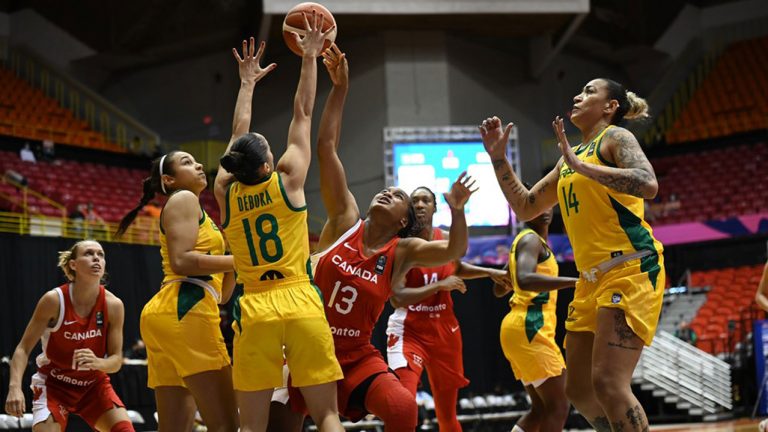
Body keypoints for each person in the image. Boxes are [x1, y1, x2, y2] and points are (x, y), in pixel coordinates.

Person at [287, 44, 475, 432]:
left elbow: (455, 250)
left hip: (355, 354)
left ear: (404, 219)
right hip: (305, 344)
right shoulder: (344, 219)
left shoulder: (401, 251)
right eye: (387, 189)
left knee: (404, 409)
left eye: (399, 197)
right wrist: (340, 88)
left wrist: (457, 210)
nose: (388, 190)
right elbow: (326, 148)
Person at [480, 77, 664, 431]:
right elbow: (525, 205)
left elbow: (648, 183)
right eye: (580, 91)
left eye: (590, 91)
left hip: (631, 267)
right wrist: (498, 159)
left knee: (610, 384)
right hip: (590, 278)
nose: (579, 96)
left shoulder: (616, 138)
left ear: (610, 107)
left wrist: (584, 168)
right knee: (578, 390)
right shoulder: (570, 159)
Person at [214, 20, 343, 432]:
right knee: (326, 415)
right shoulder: (288, 178)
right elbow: (303, 112)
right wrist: (308, 57)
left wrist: (246, 85)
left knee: (250, 427)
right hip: (299, 298)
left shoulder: (225, 191)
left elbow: (238, 136)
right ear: (268, 165)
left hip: (254, 308)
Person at [116, 157, 237, 428]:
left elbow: (224, 295)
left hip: (172, 311)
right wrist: (241, 260)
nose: (198, 165)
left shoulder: (199, 214)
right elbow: (182, 261)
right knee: (226, 425)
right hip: (186, 308)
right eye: (187, 162)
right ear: (169, 180)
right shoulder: (183, 198)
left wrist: (233, 256)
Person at [384, 185, 509, 432]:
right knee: (403, 407)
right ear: (409, 209)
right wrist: (440, 285)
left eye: (425, 201)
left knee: (448, 417)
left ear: (434, 207)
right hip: (409, 331)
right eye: (415, 201)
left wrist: (490, 272)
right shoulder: (403, 245)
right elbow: (397, 299)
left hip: (444, 331)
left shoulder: (445, 238)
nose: (420, 205)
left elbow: (457, 269)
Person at [4, 240, 134, 431]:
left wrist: (98, 362)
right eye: (88, 253)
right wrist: (14, 387)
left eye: (101, 254)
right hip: (55, 385)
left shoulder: (114, 305)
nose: (96, 258)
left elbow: (116, 360)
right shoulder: (53, 300)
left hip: (93, 386)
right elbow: (23, 349)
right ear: (73, 265)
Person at [494, 203, 577, 432]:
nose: (545, 209)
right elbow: (523, 278)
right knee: (559, 406)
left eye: (547, 203)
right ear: (523, 213)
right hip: (530, 328)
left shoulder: (525, 242)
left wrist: (511, 280)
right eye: (536, 204)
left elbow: (499, 288)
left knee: (541, 409)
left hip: (520, 328)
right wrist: (573, 282)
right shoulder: (530, 241)